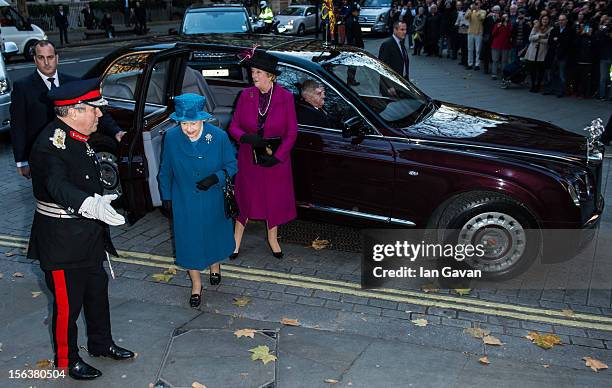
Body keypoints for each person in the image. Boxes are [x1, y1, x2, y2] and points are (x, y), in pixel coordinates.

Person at [28, 79, 135, 380]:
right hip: (62, 242)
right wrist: (89, 203)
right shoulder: (50, 144)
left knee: (97, 294)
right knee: (67, 306)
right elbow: (57, 185)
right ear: (74, 111)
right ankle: (67, 359)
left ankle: (101, 344)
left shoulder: (76, 134)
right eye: (94, 110)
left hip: (88, 235)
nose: (100, 115)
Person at [158, 94, 237, 308]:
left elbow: (232, 165)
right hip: (184, 200)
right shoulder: (172, 137)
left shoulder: (218, 137)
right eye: (184, 124)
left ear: (202, 120)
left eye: (192, 123)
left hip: (213, 198)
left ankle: (215, 267)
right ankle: (196, 285)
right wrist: (166, 198)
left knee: (214, 236)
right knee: (189, 242)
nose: (189, 129)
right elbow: (165, 171)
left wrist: (216, 177)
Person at [9, 40, 125, 179]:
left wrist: (116, 131)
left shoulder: (73, 83)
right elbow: (18, 126)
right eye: (41, 58)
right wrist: (21, 161)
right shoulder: (22, 87)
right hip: (43, 153)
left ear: (57, 58)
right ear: (35, 59)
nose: (46, 62)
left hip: (73, 150)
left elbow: (95, 109)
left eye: (50, 57)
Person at [228, 50, 298, 260]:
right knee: (245, 199)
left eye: (258, 72)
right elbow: (233, 126)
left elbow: (291, 132)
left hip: (275, 160)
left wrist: (278, 156)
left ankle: (273, 239)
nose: (254, 75)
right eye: (253, 71)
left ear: (270, 76)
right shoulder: (245, 95)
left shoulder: (285, 97)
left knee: (273, 201)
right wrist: (244, 138)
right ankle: (235, 241)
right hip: (249, 158)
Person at [547, 14, 575, 97]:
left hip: (564, 55)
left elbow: (569, 43)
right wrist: (559, 40)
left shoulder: (570, 30)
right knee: (552, 73)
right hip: (554, 54)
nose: (561, 21)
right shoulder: (554, 29)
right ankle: (551, 89)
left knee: (562, 74)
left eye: (563, 20)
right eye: (560, 20)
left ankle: (562, 91)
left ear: (566, 21)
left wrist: (558, 39)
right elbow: (550, 41)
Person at [525, 15, 553, 92]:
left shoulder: (551, 29)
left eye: (546, 19)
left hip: (542, 52)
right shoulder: (536, 27)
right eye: (543, 19)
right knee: (532, 70)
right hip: (533, 51)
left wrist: (539, 40)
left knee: (541, 70)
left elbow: (549, 41)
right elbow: (530, 38)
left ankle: (538, 85)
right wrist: (539, 35)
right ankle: (533, 85)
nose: (545, 20)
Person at [345, 3, 364, 85]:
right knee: (353, 63)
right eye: (357, 11)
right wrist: (359, 45)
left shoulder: (352, 19)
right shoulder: (352, 20)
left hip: (353, 44)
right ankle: (350, 79)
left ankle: (351, 79)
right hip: (353, 45)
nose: (358, 13)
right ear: (353, 11)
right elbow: (355, 35)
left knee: (353, 63)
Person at [465, 1, 486, 70]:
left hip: (478, 33)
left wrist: (477, 10)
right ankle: (469, 64)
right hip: (470, 32)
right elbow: (466, 17)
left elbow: (482, 18)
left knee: (478, 50)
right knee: (470, 49)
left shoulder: (483, 11)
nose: (476, 5)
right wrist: (471, 10)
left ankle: (477, 64)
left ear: (480, 4)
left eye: (478, 3)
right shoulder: (470, 10)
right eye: (475, 3)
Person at [491, 13, 513, 80]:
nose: (505, 18)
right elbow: (493, 34)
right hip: (496, 45)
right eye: (504, 17)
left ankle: (503, 74)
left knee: (504, 61)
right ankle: (494, 74)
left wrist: (507, 27)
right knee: (495, 60)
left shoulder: (509, 25)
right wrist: (498, 27)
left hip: (505, 45)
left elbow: (510, 35)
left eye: (506, 17)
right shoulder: (497, 24)